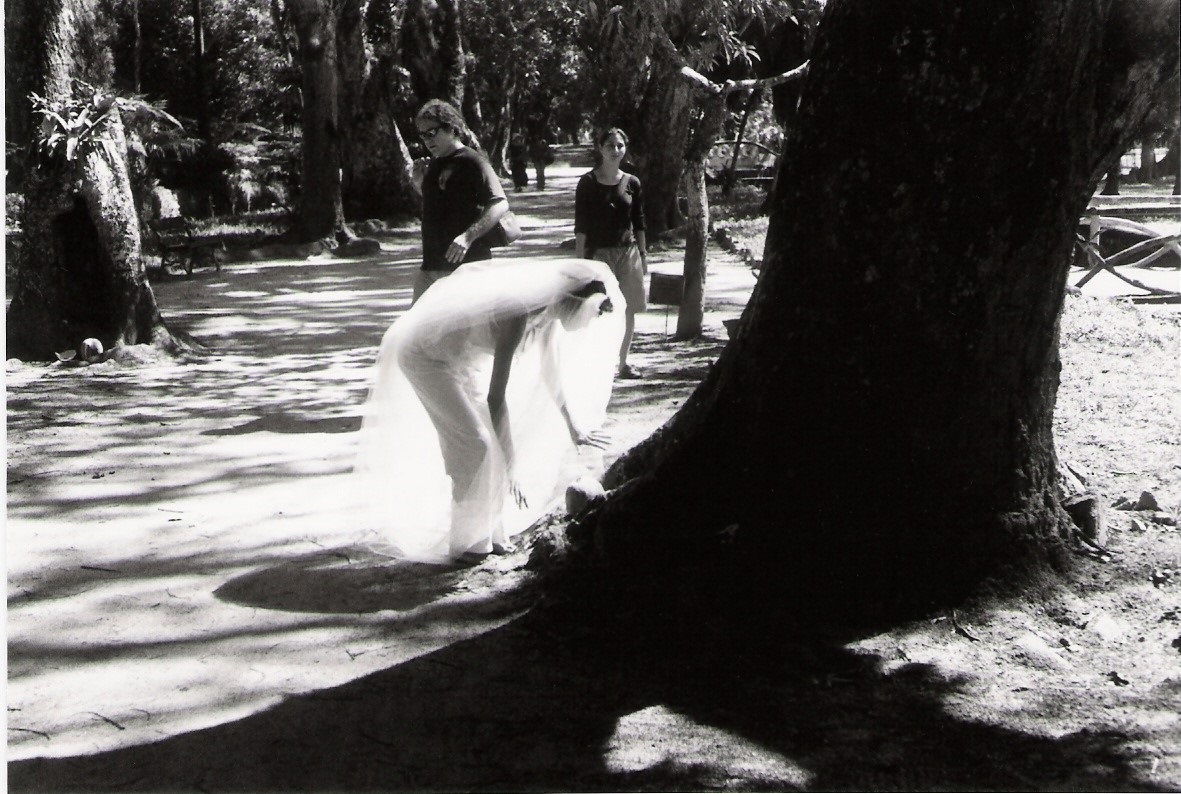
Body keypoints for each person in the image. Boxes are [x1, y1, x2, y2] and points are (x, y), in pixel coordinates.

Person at [354, 258, 626, 565]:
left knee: (490, 446)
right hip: (425, 356)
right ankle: (467, 544)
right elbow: (496, 398)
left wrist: (574, 428)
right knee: (477, 445)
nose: (591, 320)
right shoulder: (518, 313)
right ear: (574, 301)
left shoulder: (548, 316)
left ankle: (490, 536)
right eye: (593, 311)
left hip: (459, 361)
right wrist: (512, 465)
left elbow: (551, 373)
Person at [411, 99, 508, 302]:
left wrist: (467, 237)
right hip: (431, 267)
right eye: (422, 135)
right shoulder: (434, 164)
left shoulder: (472, 161)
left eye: (432, 132)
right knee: (415, 323)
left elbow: (500, 203)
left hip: (468, 267)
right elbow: (441, 205)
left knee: (471, 323)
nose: (427, 140)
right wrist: (420, 185)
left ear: (451, 127)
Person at [574, 127, 648, 379]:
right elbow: (581, 225)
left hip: (628, 253)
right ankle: (597, 365)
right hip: (598, 256)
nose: (615, 150)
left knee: (628, 308)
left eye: (620, 145)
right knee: (598, 309)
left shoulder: (632, 182)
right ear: (600, 148)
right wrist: (580, 261)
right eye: (610, 145)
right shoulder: (587, 183)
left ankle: (623, 363)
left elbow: (639, 222)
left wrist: (643, 255)